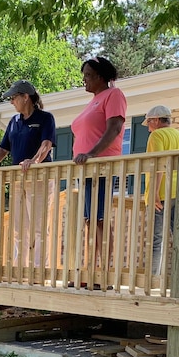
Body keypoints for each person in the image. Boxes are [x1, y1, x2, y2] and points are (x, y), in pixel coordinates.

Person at [0, 80, 56, 267]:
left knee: (39, 227)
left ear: (25, 97)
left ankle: (39, 269)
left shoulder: (45, 118)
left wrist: (34, 161)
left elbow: (46, 144)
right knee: (19, 227)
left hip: (40, 178)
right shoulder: (14, 122)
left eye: (13, 98)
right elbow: (3, 148)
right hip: (17, 179)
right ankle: (19, 268)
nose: (12, 102)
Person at [70, 56, 127, 271]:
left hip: (101, 167)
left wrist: (91, 154)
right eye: (84, 75)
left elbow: (114, 128)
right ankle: (91, 269)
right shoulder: (92, 102)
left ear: (101, 76)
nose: (84, 79)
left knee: (100, 218)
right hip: (86, 170)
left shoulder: (113, 95)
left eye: (88, 75)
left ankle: (103, 272)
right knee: (89, 220)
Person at [143, 105, 179, 275]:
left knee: (157, 239)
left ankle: (152, 278)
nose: (148, 127)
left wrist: (154, 194)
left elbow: (158, 165)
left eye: (149, 122)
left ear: (157, 120)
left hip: (163, 193)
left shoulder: (157, 135)